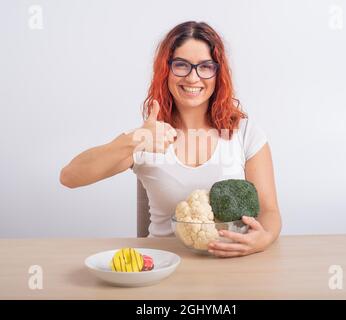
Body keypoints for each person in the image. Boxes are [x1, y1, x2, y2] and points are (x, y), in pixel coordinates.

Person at [60, 21, 282, 258]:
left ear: (218, 73)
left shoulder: (244, 133)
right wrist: (135, 139)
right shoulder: (149, 136)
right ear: (166, 70)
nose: (193, 77)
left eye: (205, 66)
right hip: (162, 265)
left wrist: (264, 238)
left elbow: (269, 211)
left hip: (231, 265)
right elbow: (70, 177)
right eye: (181, 65)